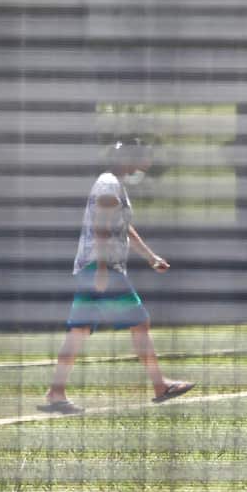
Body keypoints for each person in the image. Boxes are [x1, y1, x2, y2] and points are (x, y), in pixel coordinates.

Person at [38, 138, 195, 414]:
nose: (147, 163)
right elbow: (101, 226)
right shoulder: (109, 184)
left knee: (78, 330)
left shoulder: (112, 183)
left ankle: (56, 392)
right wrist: (100, 270)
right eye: (143, 157)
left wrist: (150, 257)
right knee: (140, 321)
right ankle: (160, 386)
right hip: (103, 267)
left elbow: (123, 228)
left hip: (95, 267)